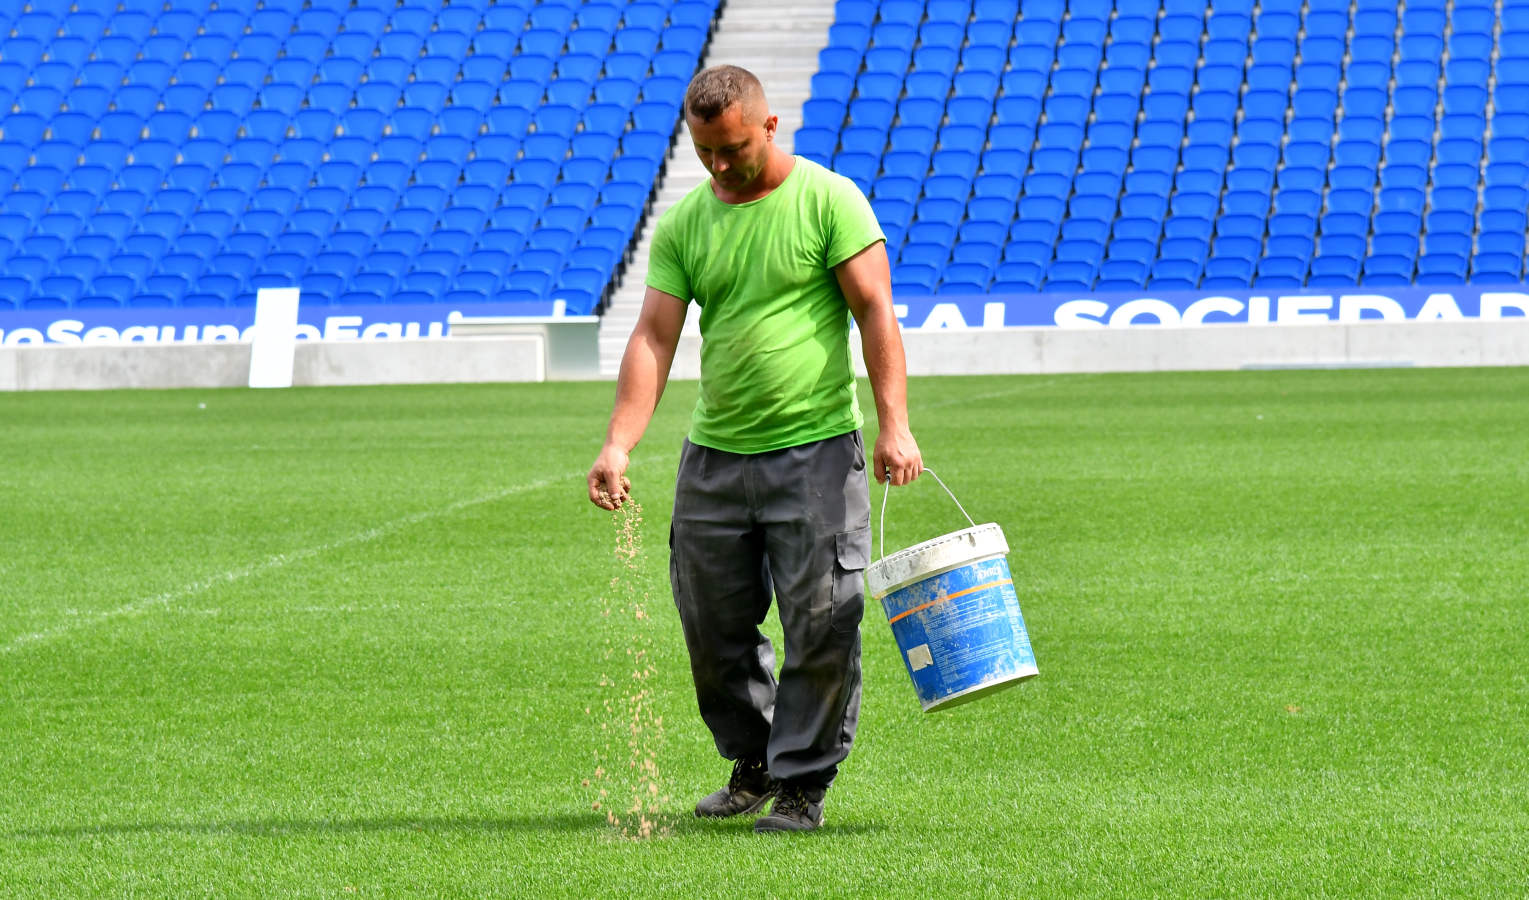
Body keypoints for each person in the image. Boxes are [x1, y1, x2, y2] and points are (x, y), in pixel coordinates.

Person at [586, 65, 922, 833]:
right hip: (714, 454)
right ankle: (755, 759)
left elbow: (875, 313)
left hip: (814, 449)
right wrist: (617, 442)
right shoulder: (685, 223)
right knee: (710, 625)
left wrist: (892, 424)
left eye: (732, 148)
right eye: (705, 153)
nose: (720, 166)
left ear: (768, 127)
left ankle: (803, 782)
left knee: (822, 620)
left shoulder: (828, 199)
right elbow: (654, 335)